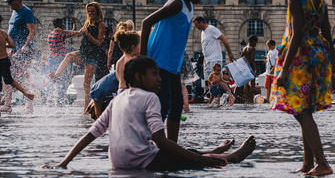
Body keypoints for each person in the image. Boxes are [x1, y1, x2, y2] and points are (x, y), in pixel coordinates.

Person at [47, 56, 256, 171]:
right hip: (144, 161)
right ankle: (230, 157)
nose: (159, 79)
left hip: (119, 162)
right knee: (189, 159)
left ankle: (213, 151)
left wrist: (64, 162)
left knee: (187, 151)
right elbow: (160, 141)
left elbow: (90, 135)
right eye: (154, 74)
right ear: (139, 77)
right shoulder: (150, 98)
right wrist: (201, 161)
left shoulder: (117, 98)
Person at [271, 0, 335, 176]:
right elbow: (329, 38)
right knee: (305, 109)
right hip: (318, 59)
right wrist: (334, 71)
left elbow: (296, 35)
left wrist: (284, 70)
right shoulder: (320, 0)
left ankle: (322, 162)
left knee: (302, 113)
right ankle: (308, 162)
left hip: (301, 61)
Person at [140, 0, 207, 142]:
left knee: (176, 105)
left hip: (172, 64)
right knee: (161, 106)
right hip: (159, 62)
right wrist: (143, 58)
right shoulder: (177, 3)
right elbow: (147, 23)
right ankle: (153, 144)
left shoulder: (189, 5)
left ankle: (171, 144)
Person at [50, 2, 105, 112]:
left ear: (97, 11)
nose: (90, 13)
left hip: (93, 55)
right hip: (83, 52)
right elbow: (78, 33)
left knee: (86, 84)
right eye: (89, 11)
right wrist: (63, 31)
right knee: (69, 55)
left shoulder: (101, 24)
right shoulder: (87, 22)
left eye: (92, 11)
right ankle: (56, 75)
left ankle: (86, 110)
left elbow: (99, 43)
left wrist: (88, 34)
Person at [1, 0, 36, 113]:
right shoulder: (14, 12)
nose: (9, 5)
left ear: (17, 1)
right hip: (13, 50)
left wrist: (26, 45)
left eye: (11, 2)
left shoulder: (26, 11)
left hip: (24, 50)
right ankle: (7, 103)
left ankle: (28, 106)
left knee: (25, 76)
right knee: (8, 77)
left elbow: (32, 31)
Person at [193, 16, 235, 89]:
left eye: (197, 25)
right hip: (207, 61)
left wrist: (229, 52)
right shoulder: (202, 32)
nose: (196, 27)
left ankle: (227, 95)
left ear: (202, 22)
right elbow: (204, 48)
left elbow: (224, 39)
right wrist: (204, 62)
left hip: (215, 59)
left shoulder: (212, 29)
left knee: (218, 80)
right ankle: (212, 97)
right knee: (208, 81)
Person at [47, 17, 79, 103]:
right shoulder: (61, 33)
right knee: (63, 79)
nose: (64, 25)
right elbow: (74, 33)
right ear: (60, 25)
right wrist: (74, 22)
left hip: (51, 59)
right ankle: (60, 98)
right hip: (60, 59)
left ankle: (49, 97)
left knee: (52, 78)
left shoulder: (50, 34)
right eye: (62, 23)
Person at [241, 35, 258, 104]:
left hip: (245, 67)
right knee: (252, 84)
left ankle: (246, 100)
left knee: (245, 84)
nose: (256, 44)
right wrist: (255, 68)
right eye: (255, 42)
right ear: (252, 41)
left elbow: (241, 58)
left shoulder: (244, 48)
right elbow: (252, 59)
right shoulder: (252, 48)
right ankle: (251, 100)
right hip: (250, 67)